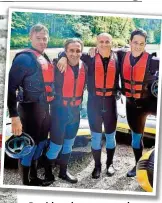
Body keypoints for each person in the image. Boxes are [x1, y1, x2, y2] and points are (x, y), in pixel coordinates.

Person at [57, 33, 119, 179]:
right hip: (93, 104)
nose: (104, 44)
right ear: (96, 43)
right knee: (96, 138)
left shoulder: (119, 57)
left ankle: (109, 164)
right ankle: (97, 166)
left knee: (111, 137)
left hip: (111, 103)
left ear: (111, 43)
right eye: (101, 42)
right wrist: (63, 57)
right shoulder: (88, 56)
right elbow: (67, 51)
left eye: (107, 41)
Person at [7, 24, 55, 186]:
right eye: (38, 38)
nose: (42, 42)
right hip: (28, 111)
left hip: (44, 109)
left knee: (41, 143)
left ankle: (34, 177)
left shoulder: (43, 57)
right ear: (30, 38)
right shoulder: (24, 58)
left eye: (45, 38)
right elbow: (10, 88)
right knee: (29, 146)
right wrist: (14, 116)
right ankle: (26, 182)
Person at [44, 38, 87, 184]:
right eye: (71, 51)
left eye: (78, 50)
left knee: (68, 144)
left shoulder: (85, 67)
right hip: (59, 112)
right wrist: (62, 55)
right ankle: (48, 173)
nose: (74, 54)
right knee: (56, 146)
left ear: (81, 52)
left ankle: (63, 172)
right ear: (66, 51)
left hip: (75, 112)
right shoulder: (57, 65)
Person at [117, 29, 159, 177]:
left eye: (142, 43)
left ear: (145, 45)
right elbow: (103, 50)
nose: (138, 46)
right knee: (136, 139)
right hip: (133, 105)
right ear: (130, 42)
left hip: (152, 103)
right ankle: (137, 166)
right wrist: (63, 56)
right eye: (135, 42)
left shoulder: (153, 61)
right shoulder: (121, 55)